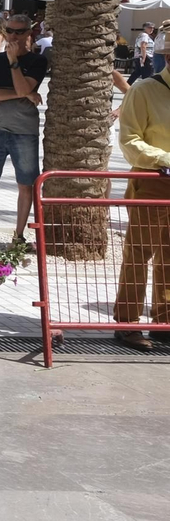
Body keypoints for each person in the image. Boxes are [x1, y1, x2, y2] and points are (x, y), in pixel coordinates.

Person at [0, 13, 47, 246]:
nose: (13, 35)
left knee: (26, 183)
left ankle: (19, 235)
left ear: (29, 33)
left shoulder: (38, 61)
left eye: (19, 31)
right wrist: (26, 94)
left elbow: (23, 84)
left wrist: (14, 62)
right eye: (10, 31)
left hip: (24, 131)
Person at [113, 63, 170, 350]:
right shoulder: (143, 90)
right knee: (139, 253)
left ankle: (165, 322)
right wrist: (166, 159)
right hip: (152, 182)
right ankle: (126, 323)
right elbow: (129, 141)